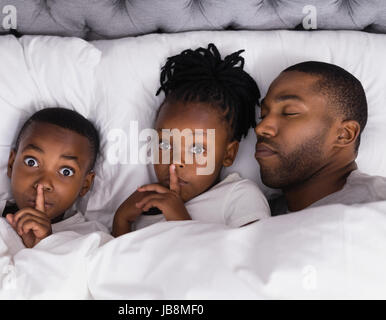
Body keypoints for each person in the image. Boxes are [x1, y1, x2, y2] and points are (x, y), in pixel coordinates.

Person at [112, 43, 270, 237]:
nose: (175, 161)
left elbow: (251, 260)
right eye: (165, 144)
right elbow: (121, 265)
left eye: (196, 149)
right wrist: (121, 222)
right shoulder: (142, 207)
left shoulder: (238, 196)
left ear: (228, 154)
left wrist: (180, 221)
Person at [255, 61, 386, 215]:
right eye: (262, 115)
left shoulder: (377, 205)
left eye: (289, 112)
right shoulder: (254, 211)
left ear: (344, 134)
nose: (260, 128)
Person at [0, 107, 109, 250]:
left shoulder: (92, 238)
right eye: (31, 162)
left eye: (66, 171)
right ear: (11, 164)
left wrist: (45, 245)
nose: (43, 183)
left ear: (85, 184)